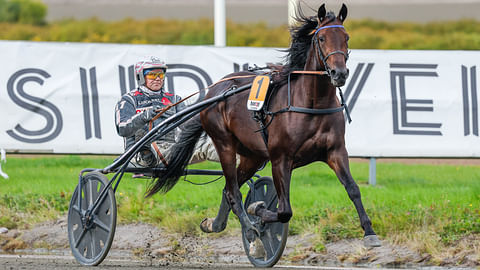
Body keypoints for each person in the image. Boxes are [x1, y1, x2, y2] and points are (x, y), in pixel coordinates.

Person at [115, 56, 218, 170]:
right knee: (146, 146)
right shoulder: (129, 99)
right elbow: (122, 129)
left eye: (160, 75)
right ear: (141, 77)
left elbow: (188, 126)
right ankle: (145, 154)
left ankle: (240, 161)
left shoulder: (174, 99)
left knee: (211, 144)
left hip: (170, 149)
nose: (158, 78)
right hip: (138, 153)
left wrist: (204, 115)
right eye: (152, 75)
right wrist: (145, 116)